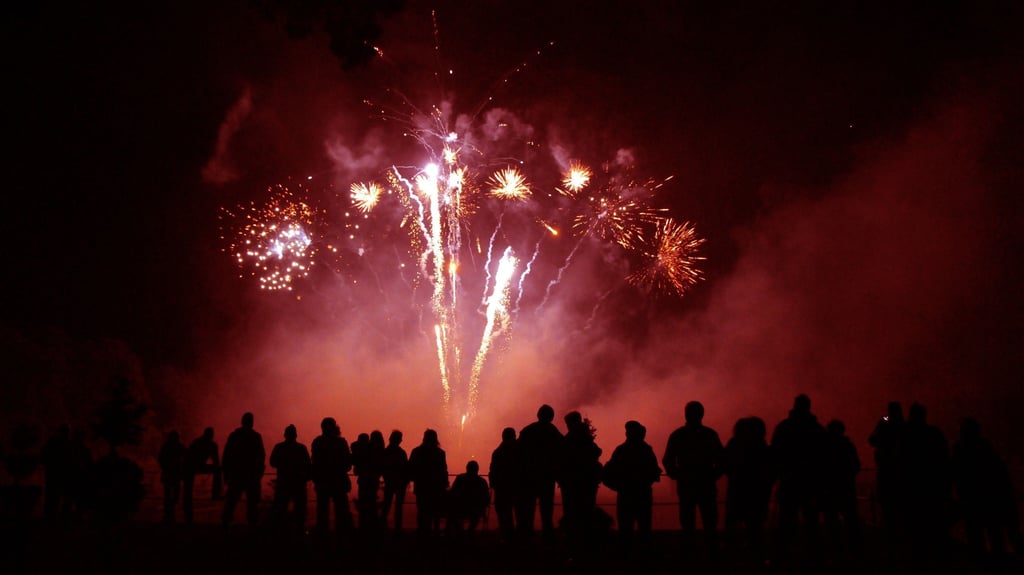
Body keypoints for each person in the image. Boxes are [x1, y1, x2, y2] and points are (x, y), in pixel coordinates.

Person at [951, 416, 1023, 561]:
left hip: (974, 500)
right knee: (994, 534)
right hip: (988, 499)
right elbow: (999, 474)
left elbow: (955, 473)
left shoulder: (961, 449)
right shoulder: (984, 447)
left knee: (979, 537)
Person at [771, 394, 826, 562]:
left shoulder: (784, 427)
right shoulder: (816, 429)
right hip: (810, 482)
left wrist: (776, 476)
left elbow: (775, 453)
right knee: (811, 521)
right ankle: (813, 557)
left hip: (790, 480)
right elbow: (824, 456)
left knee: (787, 519)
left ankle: (784, 556)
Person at [663, 400, 723, 552]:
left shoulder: (678, 435)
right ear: (702, 414)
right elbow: (722, 459)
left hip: (687, 483)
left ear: (686, 414)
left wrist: (675, 474)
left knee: (687, 520)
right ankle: (711, 551)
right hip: (706, 483)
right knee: (709, 520)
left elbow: (668, 459)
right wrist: (714, 475)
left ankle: (689, 551)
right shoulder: (709, 434)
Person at [602, 420, 662, 549]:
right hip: (643, 494)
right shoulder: (646, 450)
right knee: (644, 529)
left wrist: (616, 486)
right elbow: (654, 472)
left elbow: (607, 472)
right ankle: (644, 559)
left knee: (625, 529)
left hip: (626, 495)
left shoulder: (621, 450)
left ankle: (626, 558)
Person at [721, 417, 774, 561]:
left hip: (737, 491)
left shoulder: (734, 444)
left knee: (732, 525)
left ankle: (729, 557)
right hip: (757, 494)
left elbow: (724, 464)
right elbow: (770, 470)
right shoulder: (762, 446)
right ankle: (755, 556)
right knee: (755, 527)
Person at [517, 404, 564, 538]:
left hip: (529, 476)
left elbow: (519, 454)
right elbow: (562, 451)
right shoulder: (553, 431)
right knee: (547, 509)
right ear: (551, 417)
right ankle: (547, 536)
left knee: (528, 508)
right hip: (547, 477)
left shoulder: (528, 430)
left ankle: (527, 536)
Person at [560, 411, 603, 551]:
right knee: (587, 512)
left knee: (573, 514)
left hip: (572, 483)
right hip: (588, 482)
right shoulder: (586, 437)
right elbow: (597, 452)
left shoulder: (570, 439)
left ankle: (575, 546)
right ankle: (587, 543)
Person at [821, 419, 863, 561]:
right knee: (850, 519)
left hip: (829, 490)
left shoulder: (825, 448)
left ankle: (836, 549)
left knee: (831, 520)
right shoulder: (847, 446)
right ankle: (854, 549)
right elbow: (856, 465)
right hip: (846, 488)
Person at [221, 412, 266, 527]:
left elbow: (227, 455)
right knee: (252, 504)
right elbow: (261, 456)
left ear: (242, 421)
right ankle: (252, 528)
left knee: (231, 501)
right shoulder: (256, 437)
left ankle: (225, 525)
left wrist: (226, 474)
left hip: (237, 474)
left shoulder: (234, 436)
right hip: (251, 475)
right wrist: (259, 473)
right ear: (252, 423)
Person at [310, 417, 353, 537]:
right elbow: (347, 464)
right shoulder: (340, 442)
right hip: (339, 481)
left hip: (322, 482)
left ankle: (322, 538)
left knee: (322, 512)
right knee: (341, 512)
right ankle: (343, 538)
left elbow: (315, 463)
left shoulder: (318, 442)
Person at [868, 401, 907, 531]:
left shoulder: (886, 421)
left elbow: (872, 439)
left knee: (887, 498)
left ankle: (889, 526)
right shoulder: (904, 425)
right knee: (897, 499)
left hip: (888, 468)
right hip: (900, 470)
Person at [269, 424, 311, 535]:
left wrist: (284, 465)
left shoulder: (279, 447)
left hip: (284, 482)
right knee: (299, 510)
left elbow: (272, 462)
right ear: (295, 435)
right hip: (298, 483)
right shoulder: (301, 448)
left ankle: (280, 532)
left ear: (285, 435)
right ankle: (299, 532)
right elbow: (308, 465)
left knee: (281, 508)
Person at [407, 429, 449, 537]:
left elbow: (410, 469)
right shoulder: (440, 453)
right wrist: (445, 484)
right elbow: (443, 470)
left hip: (421, 487)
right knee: (435, 513)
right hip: (436, 487)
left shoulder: (416, 452)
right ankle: (434, 533)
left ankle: (422, 533)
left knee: (422, 512)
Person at [488, 427, 523, 542]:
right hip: (517, 485)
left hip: (502, 487)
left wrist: (493, 482)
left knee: (503, 511)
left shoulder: (498, 452)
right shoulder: (519, 450)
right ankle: (518, 535)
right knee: (518, 512)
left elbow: (493, 470)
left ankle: (508, 534)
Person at [183, 427, 221, 525]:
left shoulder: (196, 442)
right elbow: (216, 462)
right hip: (196, 466)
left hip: (189, 467)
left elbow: (187, 456)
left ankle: (188, 516)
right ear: (212, 435)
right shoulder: (212, 445)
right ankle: (215, 494)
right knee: (218, 470)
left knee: (188, 493)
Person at [448, 460, 491, 538]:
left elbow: (452, 493)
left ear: (467, 468)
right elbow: (486, 498)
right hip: (476, 510)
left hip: (460, 508)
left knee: (453, 514)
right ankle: (469, 532)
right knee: (475, 516)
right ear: (477, 470)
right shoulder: (482, 482)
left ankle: (459, 532)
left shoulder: (460, 478)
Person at [40, 423, 73, 523]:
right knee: (61, 497)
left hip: (54, 474)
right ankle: (61, 517)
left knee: (53, 496)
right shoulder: (68, 445)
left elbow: (43, 457)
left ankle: (51, 517)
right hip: (62, 475)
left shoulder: (53, 444)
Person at [380, 429, 409, 532]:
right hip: (400, 484)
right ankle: (397, 529)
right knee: (398, 507)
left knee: (386, 505)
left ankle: (382, 527)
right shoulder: (402, 453)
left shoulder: (385, 452)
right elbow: (406, 469)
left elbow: (383, 468)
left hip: (389, 483)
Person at [157, 430, 186, 524]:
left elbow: (160, 458)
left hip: (169, 472)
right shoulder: (178, 446)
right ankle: (170, 509)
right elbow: (187, 454)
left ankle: (168, 511)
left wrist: (164, 466)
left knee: (168, 493)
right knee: (174, 492)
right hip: (175, 472)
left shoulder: (166, 446)